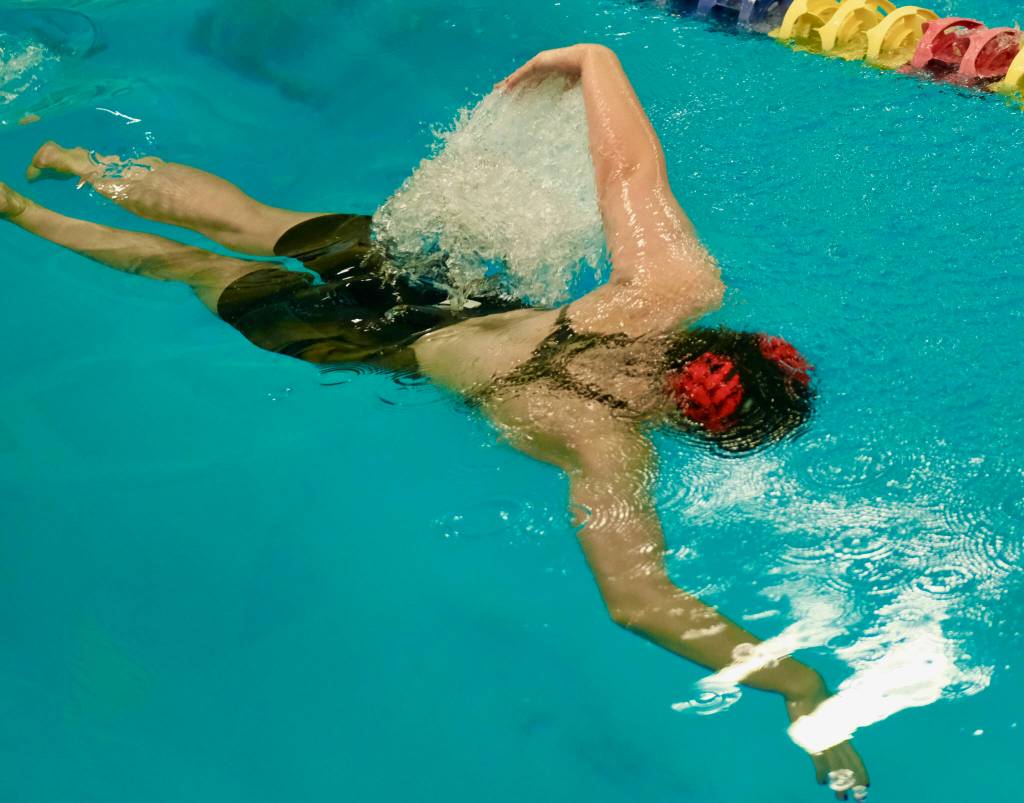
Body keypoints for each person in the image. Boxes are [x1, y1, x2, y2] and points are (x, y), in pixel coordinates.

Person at [1, 43, 866, 797]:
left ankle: (76, 161)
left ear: (718, 341)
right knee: (186, 267)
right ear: (699, 429)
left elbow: (631, 175)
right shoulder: (607, 444)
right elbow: (640, 602)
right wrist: (798, 684)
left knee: (252, 221)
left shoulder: (668, 293)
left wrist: (590, 61)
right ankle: (25, 211)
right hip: (367, 345)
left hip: (425, 280)